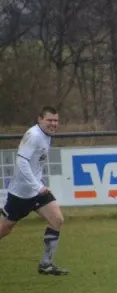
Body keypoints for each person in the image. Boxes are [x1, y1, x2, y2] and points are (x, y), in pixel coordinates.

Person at [0, 106, 68, 275]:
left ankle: (46, 264)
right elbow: (22, 162)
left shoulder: (46, 135)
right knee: (4, 229)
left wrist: (39, 183)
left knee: (57, 219)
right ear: (40, 119)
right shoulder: (34, 135)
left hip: (37, 191)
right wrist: (37, 186)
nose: (53, 124)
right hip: (21, 194)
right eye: (49, 120)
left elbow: (35, 163)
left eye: (56, 121)